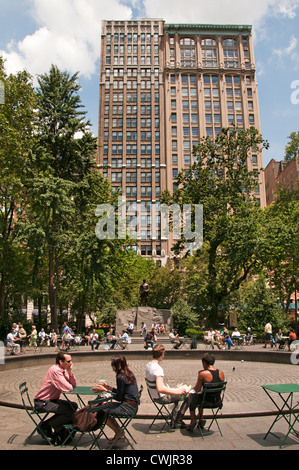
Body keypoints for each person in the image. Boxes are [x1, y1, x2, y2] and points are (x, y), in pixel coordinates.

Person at [92, 356, 139, 445]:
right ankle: (119, 433)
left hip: (127, 408)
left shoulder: (120, 377)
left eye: (112, 365)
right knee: (104, 407)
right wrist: (109, 388)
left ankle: (118, 432)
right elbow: (123, 392)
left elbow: (119, 397)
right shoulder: (128, 373)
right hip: (133, 405)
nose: (112, 367)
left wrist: (105, 391)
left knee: (102, 411)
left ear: (116, 366)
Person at [34, 352, 78, 445]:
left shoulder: (61, 370)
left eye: (71, 361)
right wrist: (69, 378)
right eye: (68, 361)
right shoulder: (55, 371)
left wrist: (70, 372)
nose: (71, 363)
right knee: (69, 411)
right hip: (43, 402)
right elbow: (68, 388)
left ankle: (56, 425)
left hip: (53, 400)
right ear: (61, 362)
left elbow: (73, 384)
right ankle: (46, 425)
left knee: (73, 406)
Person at [175, 354, 225, 431]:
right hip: (217, 401)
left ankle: (193, 420)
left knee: (191, 396)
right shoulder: (221, 373)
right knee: (202, 395)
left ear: (204, 363)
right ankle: (201, 419)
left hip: (205, 402)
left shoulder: (203, 374)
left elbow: (197, 389)